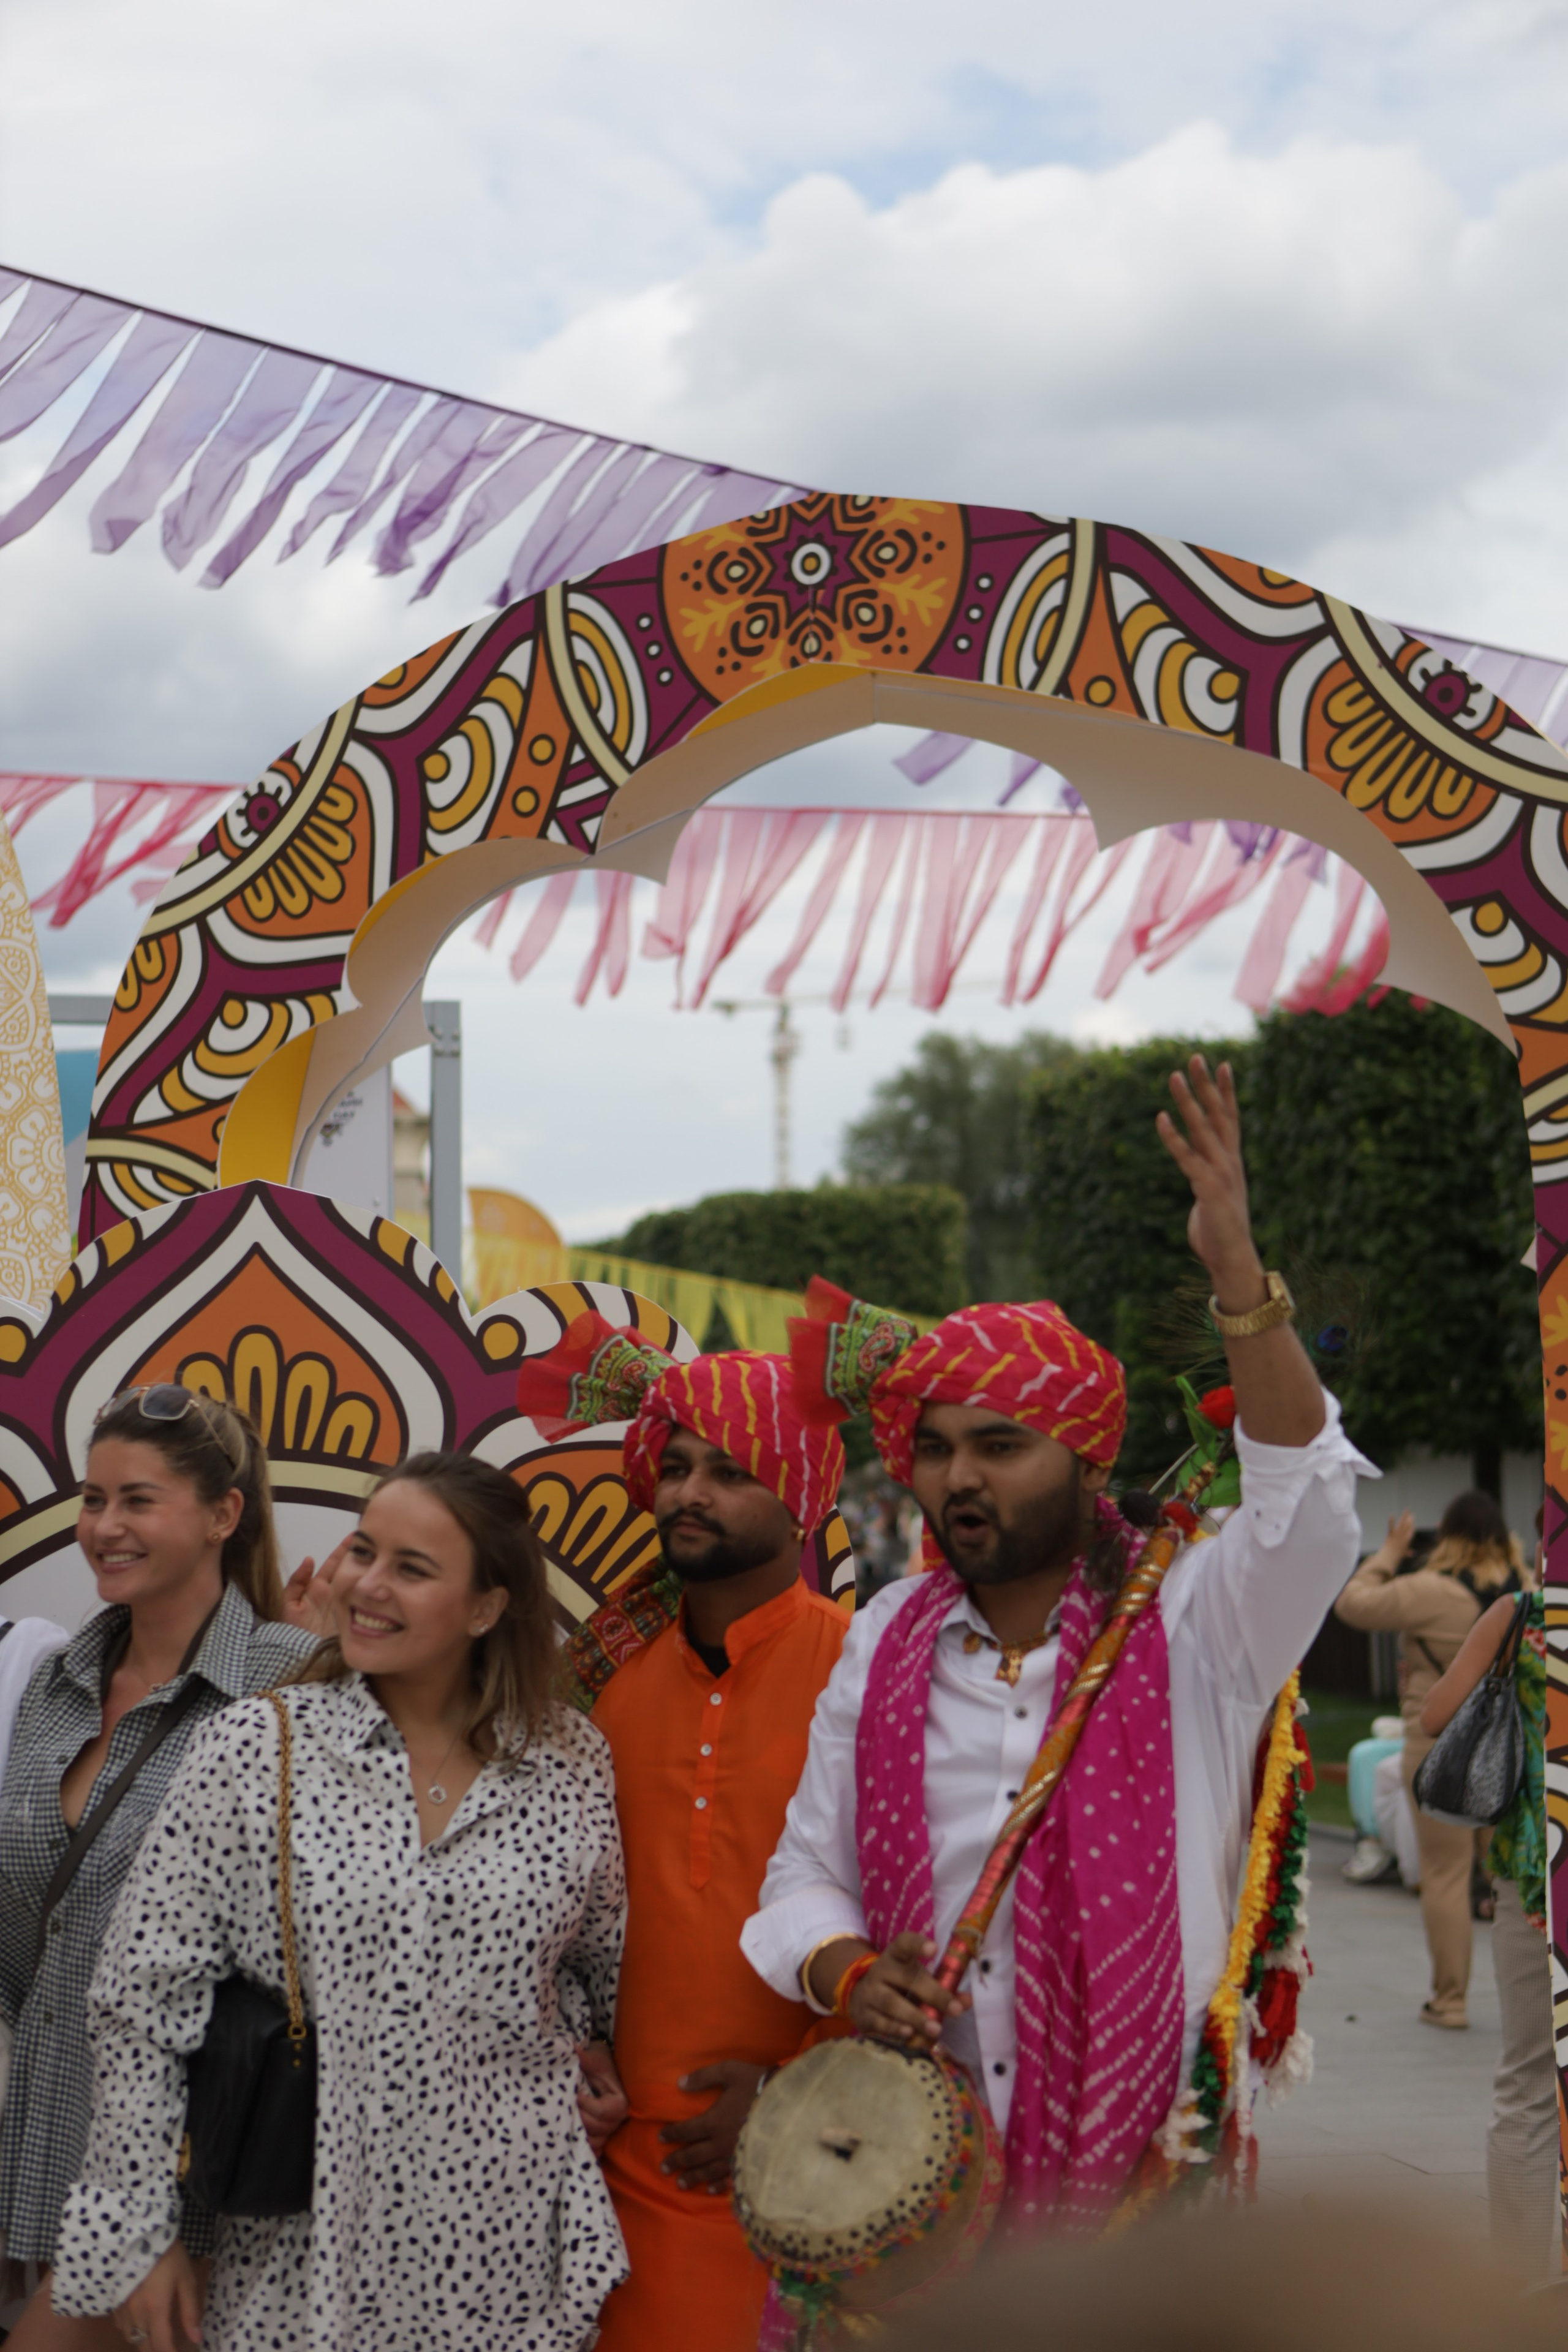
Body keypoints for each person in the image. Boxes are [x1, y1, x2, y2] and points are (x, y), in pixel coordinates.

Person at [741, 1055, 1370, 2226]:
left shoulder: (1195, 1617)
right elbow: (805, 1874)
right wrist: (848, 1970)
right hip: (915, 2182)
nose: (957, 1477)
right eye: (934, 1450)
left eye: (1000, 1445)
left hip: (1142, 2192)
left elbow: (1311, 1508)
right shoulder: (888, 1637)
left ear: (1087, 1460)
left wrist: (1236, 1268)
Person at [49, 1449, 627, 2352]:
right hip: (304, 2257)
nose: (367, 1584)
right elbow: (139, 2004)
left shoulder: (570, 1761)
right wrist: (141, 2231)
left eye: (412, 1567)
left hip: (512, 2256)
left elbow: (593, 1967)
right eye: (365, 1550)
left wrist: (591, 2061)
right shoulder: (258, 1748)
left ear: (487, 1605)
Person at [517, 1325, 852, 2352]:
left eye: (729, 1471)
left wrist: (803, 2089)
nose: (688, 1494)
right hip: (612, 2166)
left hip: (814, 2153)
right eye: (675, 1468)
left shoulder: (867, 1669)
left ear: (798, 1496)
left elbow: (925, 1912)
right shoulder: (602, 1680)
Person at [0, 1386, 315, 2348]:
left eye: (138, 1500)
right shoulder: (48, 1681)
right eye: (94, 1500)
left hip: (193, 2159)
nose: (104, 1526)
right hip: (48, 2132)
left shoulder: (294, 1683)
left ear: (224, 1514)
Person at [1335, 1489, 1525, 2027]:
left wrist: (1390, 1552)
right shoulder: (1526, 1591)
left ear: (1450, 1537)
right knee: (1513, 1877)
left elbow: (1354, 1602)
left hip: (1439, 1746)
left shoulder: (1430, 1591)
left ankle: (1451, 2001)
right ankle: (1531, 2001)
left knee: (1445, 1873)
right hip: (1512, 1752)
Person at [1420, 1564, 1553, 2267]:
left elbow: (1435, 1717)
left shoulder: (1518, 1615)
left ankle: (1522, 2290)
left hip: (1537, 1877)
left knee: (1529, 2081)